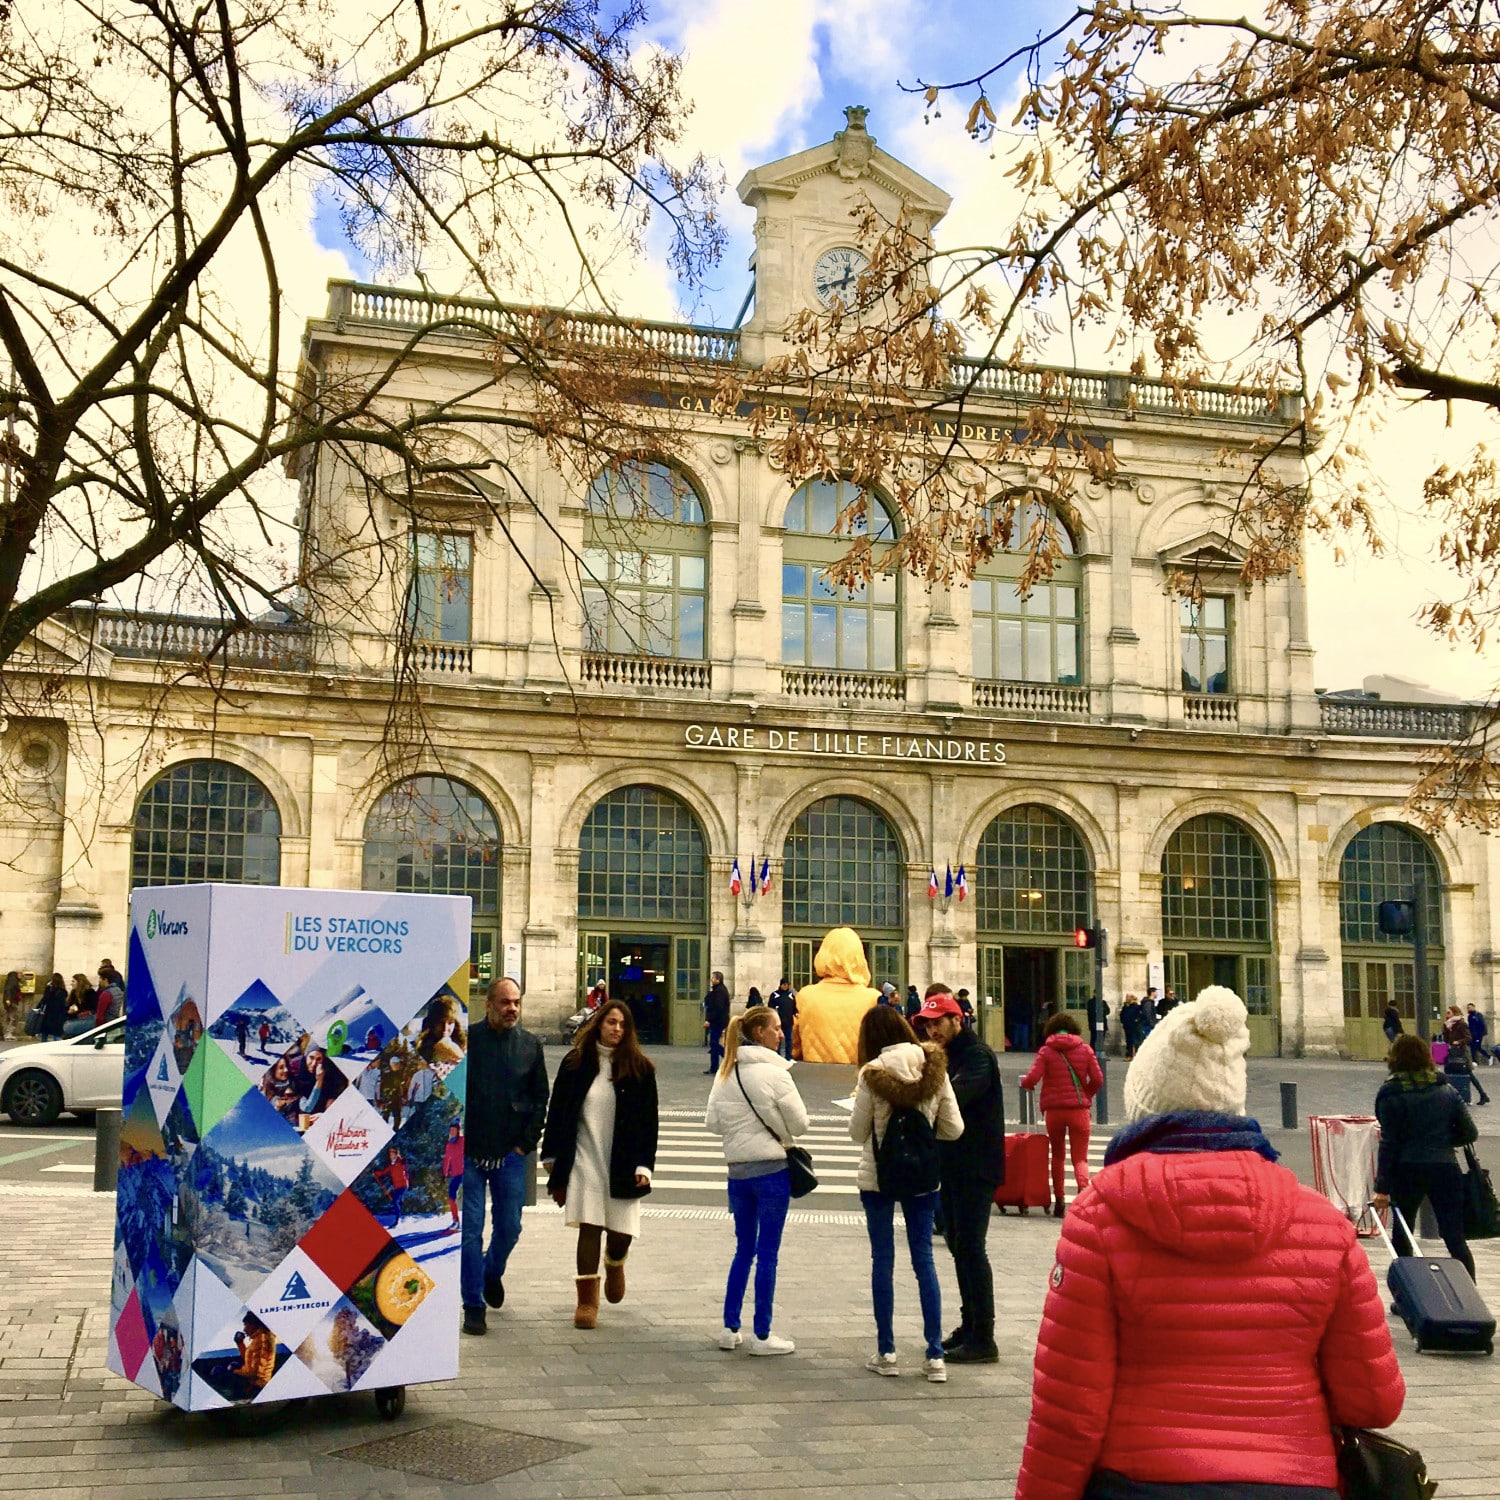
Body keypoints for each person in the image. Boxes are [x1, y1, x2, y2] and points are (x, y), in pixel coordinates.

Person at [1015, 985, 1405, 1500]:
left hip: (1143, 1480)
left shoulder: (1100, 1217)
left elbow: (1069, 1409)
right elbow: (1374, 1403)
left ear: (1144, 1110)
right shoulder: (1323, 1226)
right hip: (1294, 1483)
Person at [849, 1005, 963, 1382]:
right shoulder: (934, 1068)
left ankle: (887, 1351)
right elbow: (954, 1128)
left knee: (883, 1260)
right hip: (923, 1176)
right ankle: (934, 1355)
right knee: (924, 1261)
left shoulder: (872, 1074)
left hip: (879, 1176)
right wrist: (925, 1135)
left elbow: (856, 1132)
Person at [542, 999, 659, 1329]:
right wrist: (551, 1156)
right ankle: (586, 1302)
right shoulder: (576, 1063)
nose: (616, 1029)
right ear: (599, 1024)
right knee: (589, 1224)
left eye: (622, 1025)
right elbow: (559, 1112)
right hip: (584, 1156)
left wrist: (644, 1166)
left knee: (621, 1231)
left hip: (622, 1159)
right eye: (611, 1023)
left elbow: (649, 1123)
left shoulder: (640, 1068)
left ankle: (616, 1260)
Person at [704, 1004, 809, 1355]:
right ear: (760, 1033)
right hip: (770, 1171)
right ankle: (762, 1334)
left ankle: (729, 1327)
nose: (782, 1034)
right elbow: (800, 1124)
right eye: (777, 1028)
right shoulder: (777, 1074)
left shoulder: (726, 1072)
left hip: (738, 1173)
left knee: (743, 1250)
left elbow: (712, 1123)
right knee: (768, 1254)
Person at [914, 988, 1004, 1364]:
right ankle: (969, 1326)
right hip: (952, 1165)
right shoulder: (945, 1057)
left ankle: (984, 1336)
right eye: (928, 1024)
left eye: (938, 1022)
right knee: (957, 1245)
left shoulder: (977, 1056)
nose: (933, 1030)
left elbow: (956, 1098)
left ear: (957, 1019)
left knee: (971, 1247)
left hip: (976, 1167)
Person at [461, 976, 551, 1335]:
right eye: (505, 1002)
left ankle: (491, 1271)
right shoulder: (467, 1041)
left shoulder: (530, 1045)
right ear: (488, 1004)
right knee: (470, 1231)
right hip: (470, 1152)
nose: (512, 1008)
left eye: (516, 1002)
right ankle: (472, 1303)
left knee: (510, 1227)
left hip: (511, 1153)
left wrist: (524, 1143)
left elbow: (540, 1099)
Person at [1374, 1031, 1479, 1281]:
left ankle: (1411, 1295)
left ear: (1395, 1059)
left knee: (1403, 1233)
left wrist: (1382, 1188)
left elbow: (1389, 1143)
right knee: (1454, 1236)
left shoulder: (1390, 1093)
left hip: (1407, 1168)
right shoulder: (1446, 1090)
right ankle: (1471, 1294)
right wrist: (1442, 1142)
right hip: (1444, 1166)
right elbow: (1470, 1132)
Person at [1020, 1011, 1104, 1218]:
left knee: (1057, 1156)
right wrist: (1086, 1094)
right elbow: (1097, 1078)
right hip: (1079, 1110)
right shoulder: (1085, 1049)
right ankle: (1083, 1194)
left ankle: (1059, 1201)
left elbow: (1032, 1078)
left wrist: (1026, 1084)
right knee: (1080, 1158)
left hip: (1054, 1111)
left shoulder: (1046, 1051)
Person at [792, 927, 880, 1064]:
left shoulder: (805, 996)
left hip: (815, 1078)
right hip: (858, 1078)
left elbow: (795, 1047)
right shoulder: (873, 999)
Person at [1441, 1004, 1490, 1105]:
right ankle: (1482, 1095)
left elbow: (1468, 1038)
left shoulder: (1461, 1024)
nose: (1447, 1015)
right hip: (1452, 1052)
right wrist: (1445, 1029)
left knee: (1469, 1074)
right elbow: (1446, 1039)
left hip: (1462, 1052)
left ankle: (1483, 1094)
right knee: (1458, 1073)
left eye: (1449, 1012)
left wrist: (1458, 1042)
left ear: (1454, 1013)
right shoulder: (1448, 1024)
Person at [703, 971, 731, 1074]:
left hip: (718, 1021)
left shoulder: (719, 991)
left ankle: (728, 1057)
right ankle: (714, 1067)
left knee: (714, 1043)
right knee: (713, 1044)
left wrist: (709, 1020)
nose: (712, 979)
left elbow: (717, 1008)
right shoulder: (717, 990)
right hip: (719, 1020)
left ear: (718, 980)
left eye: (713, 978)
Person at [442, 1121, 464, 1231]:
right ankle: (456, 1221)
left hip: (466, 1173)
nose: (451, 1132)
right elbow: (447, 1159)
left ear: (458, 1131)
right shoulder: (449, 1144)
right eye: (450, 1130)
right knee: (451, 1196)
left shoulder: (463, 1141)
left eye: (454, 1130)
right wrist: (444, 1173)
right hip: (456, 1174)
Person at [769, 977, 797, 1060]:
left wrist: (795, 1013)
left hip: (788, 1021)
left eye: (787, 985)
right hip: (778, 1022)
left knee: (789, 1039)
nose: (785, 986)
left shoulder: (791, 995)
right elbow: (770, 1007)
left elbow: (794, 1007)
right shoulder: (774, 995)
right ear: (780, 985)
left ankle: (788, 1057)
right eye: (784, 984)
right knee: (778, 1039)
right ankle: (777, 1057)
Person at [38, 972, 68, 1041]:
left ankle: (43, 1048)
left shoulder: (50, 990)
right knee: (56, 1035)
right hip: (58, 1016)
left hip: (48, 1015)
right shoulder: (63, 991)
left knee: (44, 1035)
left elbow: (44, 1000)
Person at [1118, 993, 1143, 1058]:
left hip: (1134, 1026)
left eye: (1127, 997)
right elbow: (1122, 1015)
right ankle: (1129, 1054)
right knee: (1128, 1040)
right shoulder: (1125, 1006)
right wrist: (1122, 1021)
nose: (1126, 999)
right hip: (1127, 1025)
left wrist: (1136, 1020)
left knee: (1134, 1040)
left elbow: (1139, 1015)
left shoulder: (1136, 1006)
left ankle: (1133, 1054)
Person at [1, 971, 21, 1040]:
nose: (21, 976)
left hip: (11, 1001)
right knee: (13, 1017)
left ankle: (7, 1033)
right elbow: (8, 990)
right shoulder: (13, 980)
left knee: (10, 1017)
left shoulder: (13, 980)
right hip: (11, 1001)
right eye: (21, 974)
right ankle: (8, 1033)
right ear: (17, 974)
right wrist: (8, 999)